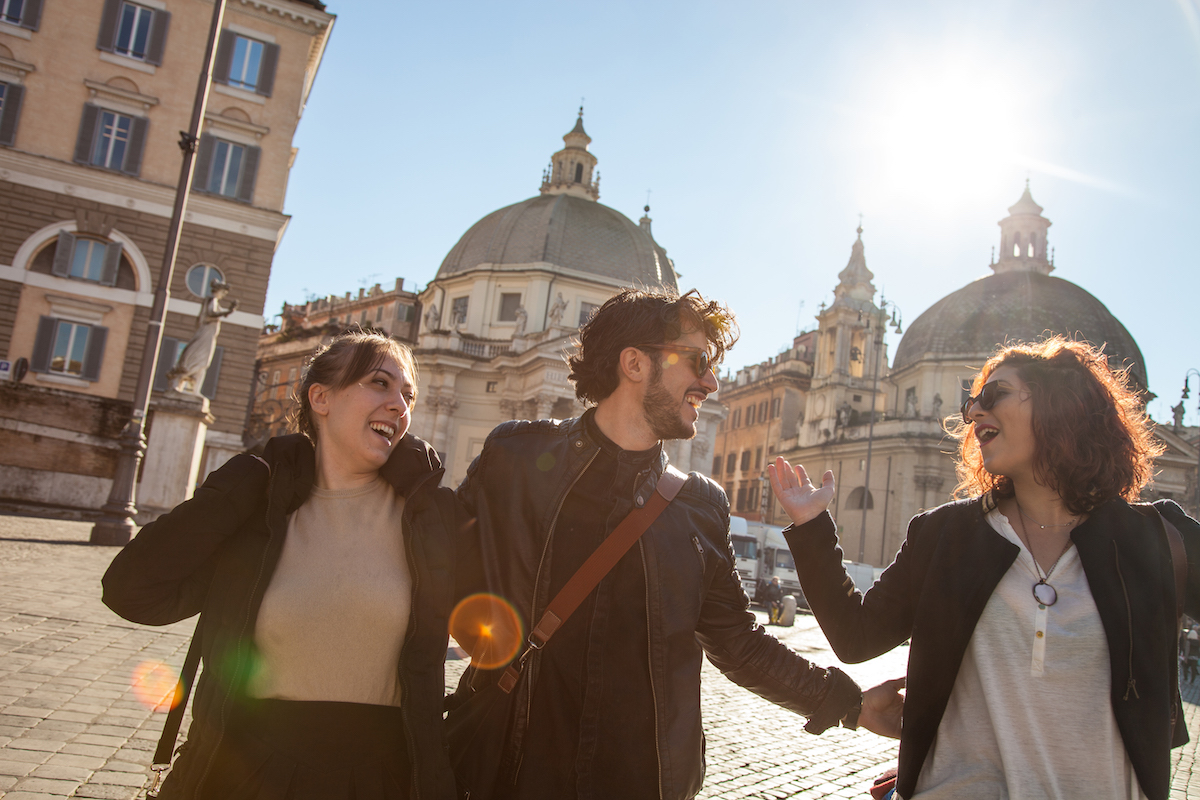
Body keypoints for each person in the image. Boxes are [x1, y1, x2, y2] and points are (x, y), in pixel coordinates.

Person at [445, 288, 904, 800]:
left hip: (646, 781)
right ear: (635, 363)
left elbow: (738, 642)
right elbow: (438, 564)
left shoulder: (700, 505)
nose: (710, 381)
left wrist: (852, 704)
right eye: (699, 361)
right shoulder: (516, 456)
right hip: (511, 772)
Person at [769, 336, 1200, 800]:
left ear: (1064, 406)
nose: (973, 413)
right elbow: (855, 638)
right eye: (970, 401)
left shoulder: (1157, 537)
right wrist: (812, 527)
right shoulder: (944, 534)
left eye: (994, 396)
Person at [103, 332, 466, 799]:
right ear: (322, 398)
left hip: (384, 777)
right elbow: (132, 592)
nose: (399, 405)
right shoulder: (260, 505)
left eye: (408, 395)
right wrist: (232, 490)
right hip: (245, 771)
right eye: (380, 383)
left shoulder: (430, 516)